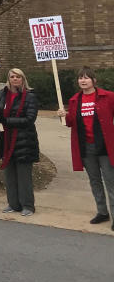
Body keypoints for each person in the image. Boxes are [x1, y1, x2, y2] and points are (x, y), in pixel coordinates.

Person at [59, 67, 114, 228]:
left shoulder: (108, 97)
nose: (83, 80)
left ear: (94, 80)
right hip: (86, 148)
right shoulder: (75, 100)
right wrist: (64, 116)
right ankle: (102, 212)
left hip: (105, 147)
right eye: (80, 78)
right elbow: (71, 123)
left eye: (86, 78)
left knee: (110, 182)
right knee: (95, 181)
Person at [0, 68, 39, 216]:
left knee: (24, 176)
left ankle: (28, 206)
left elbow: (29, 119)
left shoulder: (30, 97)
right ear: (8, 79)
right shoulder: (1, 95)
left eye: (18, 77)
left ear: (23, 79)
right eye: (12, 76)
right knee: (9, 175)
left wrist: (7, 121)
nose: (15, 79)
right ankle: (13, 204)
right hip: (6, 139)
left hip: (24, 140)